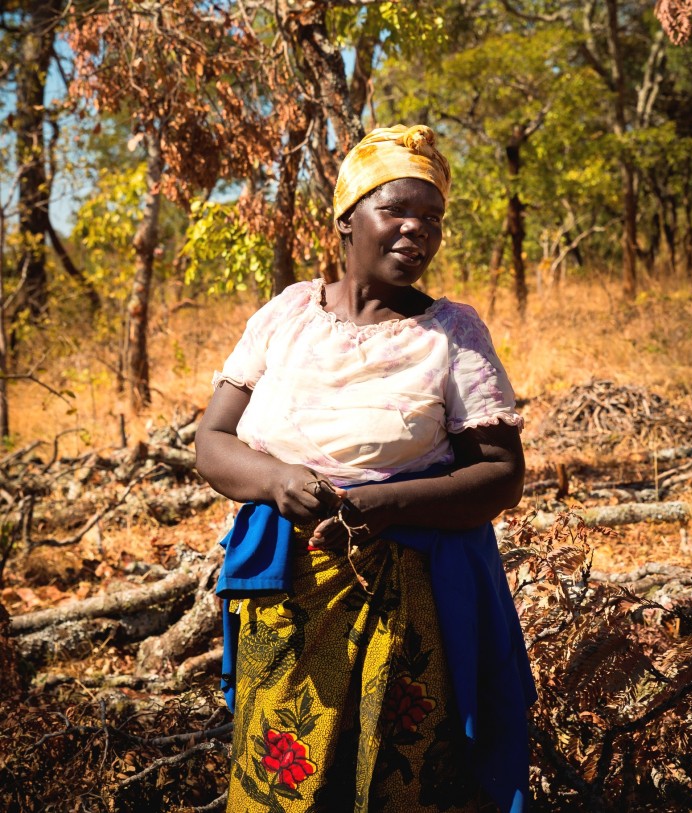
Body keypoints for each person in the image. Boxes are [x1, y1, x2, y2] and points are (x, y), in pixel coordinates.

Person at [195, 124, 537, 813]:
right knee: (282, 775)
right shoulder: (288, 314)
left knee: (396, 775)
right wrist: (274, 480)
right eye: (397, 212)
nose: (417, 230)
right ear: (347, 218)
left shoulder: (452, 333)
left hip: (405, 594)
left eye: (432, 218)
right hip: (286, 591)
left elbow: (502, 473)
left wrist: (388, 505)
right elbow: (212, 440)